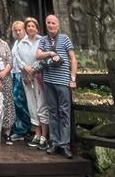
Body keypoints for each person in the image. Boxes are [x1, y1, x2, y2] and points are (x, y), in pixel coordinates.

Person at [36, 14, 77, 158]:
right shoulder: (43, 40)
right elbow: (38, 55)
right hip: (49, 81)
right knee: (53, 111)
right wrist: (50, 53)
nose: (51, 25)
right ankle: (54, 141)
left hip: (63, 81)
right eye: (49, 23)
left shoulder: (65, 39)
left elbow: (73, 58)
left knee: (64, 112)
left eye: (53, 23)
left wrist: (72, 78)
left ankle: (64, 144)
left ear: (58, 25)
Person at [13, 16, 49, 149]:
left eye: (32, 26)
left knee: (41, 105)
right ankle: (37, 133)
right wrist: (24, 68)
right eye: (28, 26)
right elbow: (18, 59)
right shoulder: (22, 43)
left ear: (37, 27)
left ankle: (45, 135)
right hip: (27, 77)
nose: (30, 28)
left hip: (39, 76)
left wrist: (34, 69)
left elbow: (43, 57)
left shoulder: (42, 41)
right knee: (32, 106)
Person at [9, 20, 33, 141]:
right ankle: (21, 127)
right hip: (15, 73)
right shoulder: (17, 42)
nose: (18, 32)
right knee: (18, 102)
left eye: (20, 30)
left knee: (21, 101)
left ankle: (24, 129)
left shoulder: (27, 42)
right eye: (16, 30)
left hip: (22, 74)